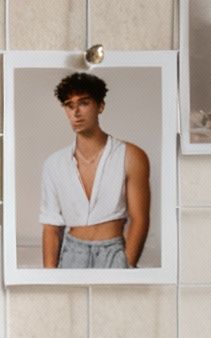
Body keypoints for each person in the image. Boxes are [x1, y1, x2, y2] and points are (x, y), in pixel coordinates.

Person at [38, 71, 151, 270]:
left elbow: (139, 218)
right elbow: (51, 227)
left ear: (100, 106)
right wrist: (50, 278)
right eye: (69, 105)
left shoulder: (131, 155)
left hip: (113, 252)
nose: (76, 112)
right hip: (72, 253)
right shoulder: (53, 164)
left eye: (83, 103)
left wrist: (126, 263)